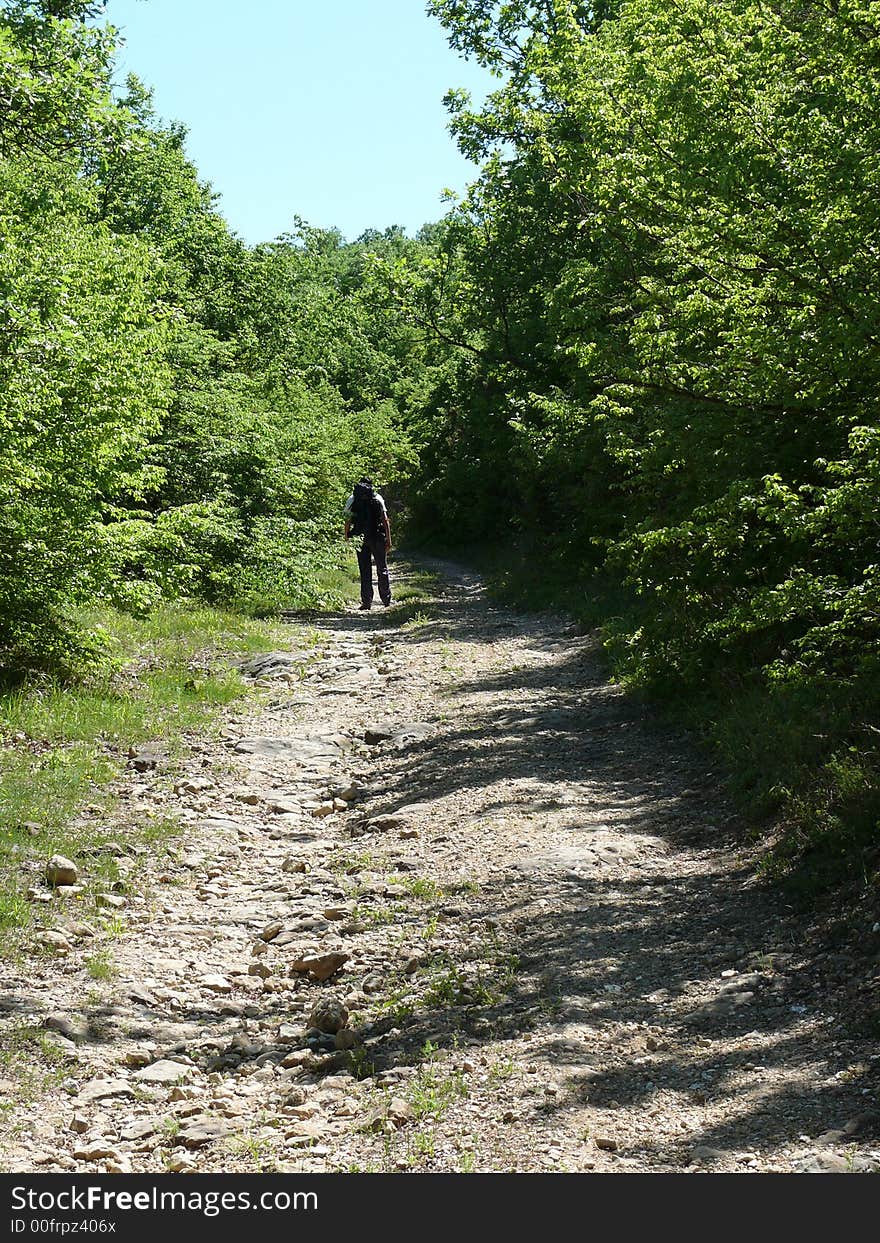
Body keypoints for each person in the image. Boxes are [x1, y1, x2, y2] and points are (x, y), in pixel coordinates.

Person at [344, 477, 393, 610]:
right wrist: (389, 539)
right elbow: (385, 520)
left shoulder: (352, 499)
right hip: (377, 537)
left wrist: (347, 538)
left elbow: (347, 521)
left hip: (359, 538)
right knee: (382, 567)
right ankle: (386, 599)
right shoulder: (378, 498)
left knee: (364, 569)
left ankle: (366, 602)